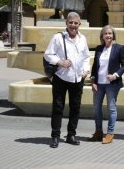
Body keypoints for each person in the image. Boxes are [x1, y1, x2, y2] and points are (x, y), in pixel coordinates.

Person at [43, 11, 91, 148]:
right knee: (58, 107)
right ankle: (55, 136)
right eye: (71, 22)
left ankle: (71, 135)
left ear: (79, 24)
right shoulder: (58, 38)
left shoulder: (83, 39)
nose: (73, 25)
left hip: (77, 79)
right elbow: (48, 54)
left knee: (75, 108)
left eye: (76, 23)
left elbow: (86, 56)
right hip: (61, 77)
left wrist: (86, 70)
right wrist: (60, 62)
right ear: (66, 23)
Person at [89, 25, 124, 144]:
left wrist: (115, 75)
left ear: (113, 35)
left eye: (110, 33)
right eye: (106, 33)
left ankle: (110, 133)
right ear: (102, 36)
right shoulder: (99, 48)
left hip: (112, 84)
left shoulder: (119, 48)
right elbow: (95, 66)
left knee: (111, 108)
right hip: (99, 84)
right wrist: (93, 81)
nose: (108, 35)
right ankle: (98, 131)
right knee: (96, 108)